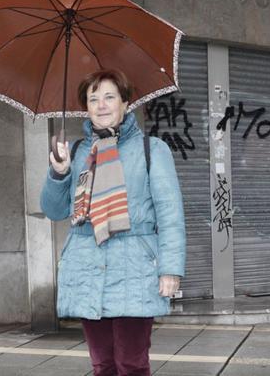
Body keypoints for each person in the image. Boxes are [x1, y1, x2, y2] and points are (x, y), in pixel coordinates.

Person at [40, 69, 185, 376]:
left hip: (135, 269)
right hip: (88, 268)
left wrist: (171, 269)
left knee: (131, 364)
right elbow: (54, 211)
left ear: (125, 103)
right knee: (102, 365)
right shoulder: (78, 152)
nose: (101, 105)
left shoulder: (152, 149)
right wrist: (59, 173)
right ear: (86, 107)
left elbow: (170, 214)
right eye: (93, 99)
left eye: (109, 97)